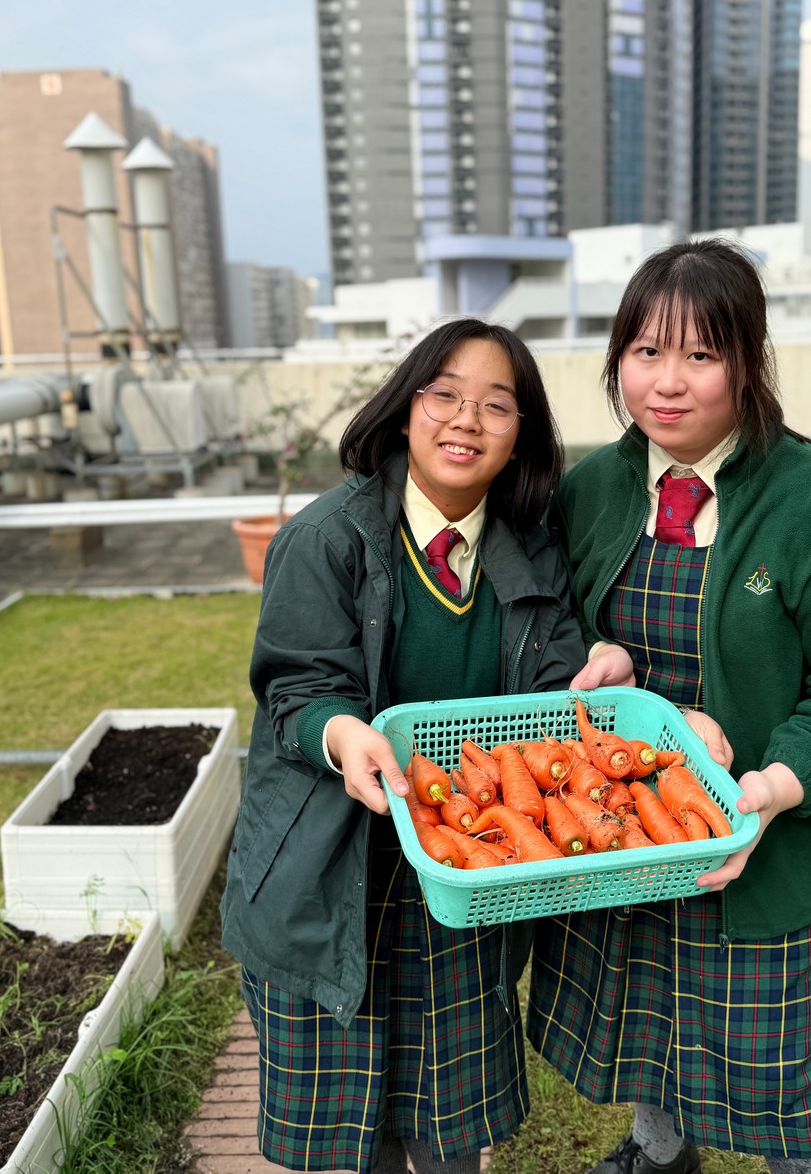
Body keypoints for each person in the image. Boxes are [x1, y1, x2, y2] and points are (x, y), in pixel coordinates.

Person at [527, 238, 811, 1174]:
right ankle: (660, 1154)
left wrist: (770, 789)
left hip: (757, 846)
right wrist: (592, 655)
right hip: (622, 838)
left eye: (700, 354)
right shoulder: (591, 491)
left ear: (748, 362)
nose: (666, 382)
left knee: (788, 1083)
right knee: (645, 1031)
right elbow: (547, 628)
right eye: (645, 351)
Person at [220, 317, 597, 1174]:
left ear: (520, 436)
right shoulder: (327, 537)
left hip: (464, 867)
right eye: (445, 395)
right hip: (333, 871)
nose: (466, 420)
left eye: (496, 405)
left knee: (452, 1126)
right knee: (355, 1135)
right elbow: (296, 689)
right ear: (403, 410)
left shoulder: (531, 550)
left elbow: (551, 685)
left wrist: (586, 683)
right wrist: (342, 733)